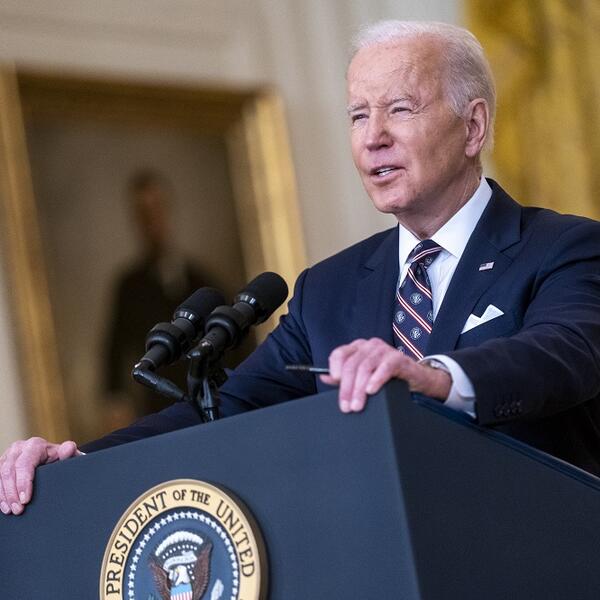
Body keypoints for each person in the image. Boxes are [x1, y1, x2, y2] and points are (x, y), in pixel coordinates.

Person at [2, 20, 600, 517]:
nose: (373, 138)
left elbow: (562, 353)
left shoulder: (565, 247)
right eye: (358, 115)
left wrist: (434, 377)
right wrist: (80, 460)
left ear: (473, 127)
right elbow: (227, 407)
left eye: (399, 109)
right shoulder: (329, 289)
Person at [103, 169, 207, 420]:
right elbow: (114, 352)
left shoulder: (201, 281)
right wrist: (116, 401)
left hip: (205, 404)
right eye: (144, 214)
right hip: (158, 412)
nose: (152, 221)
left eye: (156, 209)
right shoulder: (128, 287)